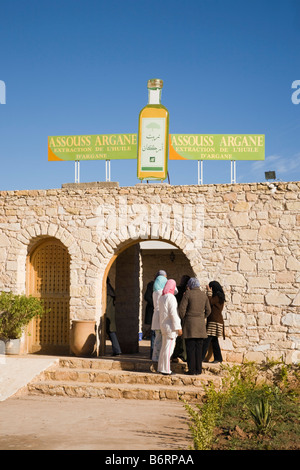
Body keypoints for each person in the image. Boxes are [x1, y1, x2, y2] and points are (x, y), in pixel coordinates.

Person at [179, 278, 211, 375]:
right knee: (199, 348)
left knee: (190, 348)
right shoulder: (203, 295)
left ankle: (192, 370)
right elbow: (208, 311)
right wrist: (202, 317)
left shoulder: (188, 294)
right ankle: (198, 370)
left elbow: (181, 310)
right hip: (200, 325)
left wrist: (184, 318)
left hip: (190, 324)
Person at [157, 279, 182, 376]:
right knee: (169, 349)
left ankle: (160, 367)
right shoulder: (171, 297)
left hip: (163, 326)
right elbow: (173, 314)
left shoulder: (161, 297)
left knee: (164, 348)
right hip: (170, 327)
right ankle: (166, 370)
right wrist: (178, 327)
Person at [202, 281, 226, 364]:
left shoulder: (217, 296)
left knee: (207, 341)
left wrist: (209, 292)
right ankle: (218, 358)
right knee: (214, 341)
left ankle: (200, 358)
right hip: (215, 321)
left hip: (214, 322)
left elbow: (209, 302)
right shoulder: (220, 296)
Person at [172, 275, 190, 362]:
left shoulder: (179, 290)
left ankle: (179, 353)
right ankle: (181, 354)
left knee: (179, 336)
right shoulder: (187, 291)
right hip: (183, 315)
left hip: (179, 314)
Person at [151, 274, 168, 363]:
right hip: (161, 315)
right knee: (160, 339)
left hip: (156, 316)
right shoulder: (162, 292)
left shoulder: (155, 291)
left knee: (157, 338)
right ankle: (157, 358)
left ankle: (155, 356)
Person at [105, 277, 122, 356]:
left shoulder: (107, 291)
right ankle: (117, 350)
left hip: (107, 314)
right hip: (110, 314)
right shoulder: (110, 290)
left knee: (111, 332)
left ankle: (117, 350)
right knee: (111, 332)